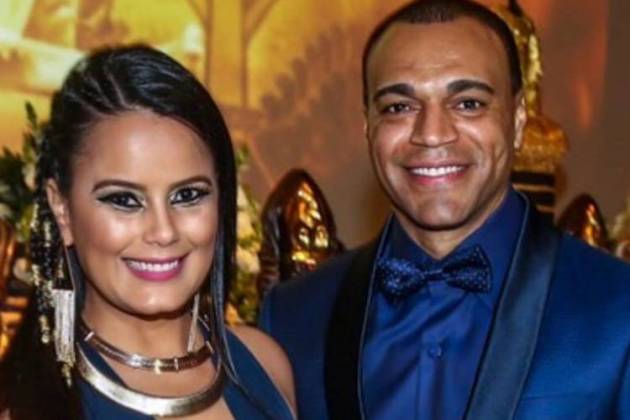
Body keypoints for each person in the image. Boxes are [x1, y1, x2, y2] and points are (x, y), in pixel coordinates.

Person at [259, 1, 630, 419]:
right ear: (368, 126)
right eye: (399, 107)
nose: (432, 134)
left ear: (518, 120)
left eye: (468, 103)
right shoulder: (294, 315)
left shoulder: (619, 308)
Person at [0, 45, 296, 420]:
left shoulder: (265, 367)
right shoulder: (28, 410)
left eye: (188, 195)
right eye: (124, 200)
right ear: (62, 210)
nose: (163, 231)